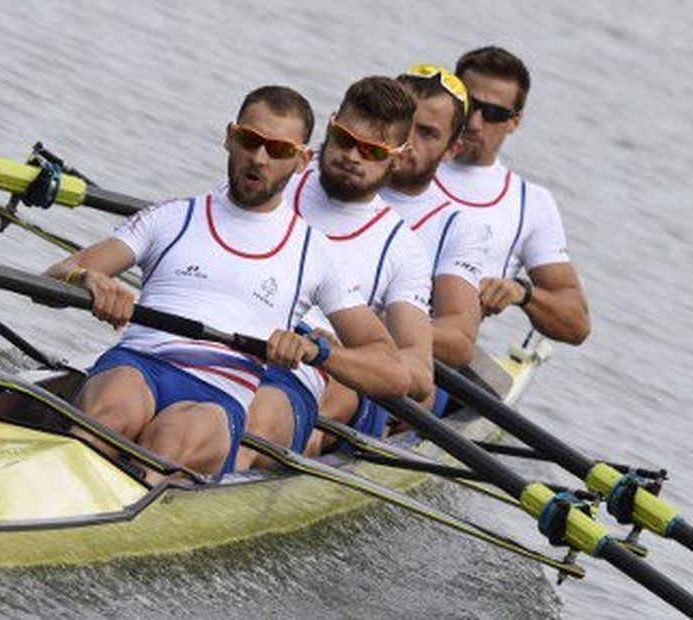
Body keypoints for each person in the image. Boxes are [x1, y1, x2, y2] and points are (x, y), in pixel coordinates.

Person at [44, 85, 410, 480]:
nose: (259, 158)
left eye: (279, 150)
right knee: (109, 412)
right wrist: (90, 279)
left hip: (217, 395)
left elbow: (394, 373)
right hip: (140, 363)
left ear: (302, 160)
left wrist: (315, 352)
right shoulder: (170, 217)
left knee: (169, 443)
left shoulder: (314, 253)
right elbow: (56, 275)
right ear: (229, 137)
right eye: (250, 141)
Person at [236, 76, 432, 468]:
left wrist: (342, 354)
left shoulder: (401, 247)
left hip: (323, 370)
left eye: (372, 151)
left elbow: (419, 373)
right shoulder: (274, 175)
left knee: (305, 410)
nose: (353, 157)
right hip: (241, 333)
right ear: (329, 125)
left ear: (399, 156)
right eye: (344, 139)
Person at [435, 46, 590, 344]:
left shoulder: (529, 204)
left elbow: (577, 323)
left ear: (514, 122)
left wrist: (522, 292)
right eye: (469, 104)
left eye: (494, 113)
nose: (475, 122)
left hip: (436, 353)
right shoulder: (403, 155)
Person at [383, 65, 487, 372]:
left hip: (377, 355)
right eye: (403, 123)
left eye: (427, 133)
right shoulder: (319, 173)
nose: (407, 140)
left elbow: (459, 340)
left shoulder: (455, 227)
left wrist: (373, 323)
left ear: (451, 150)